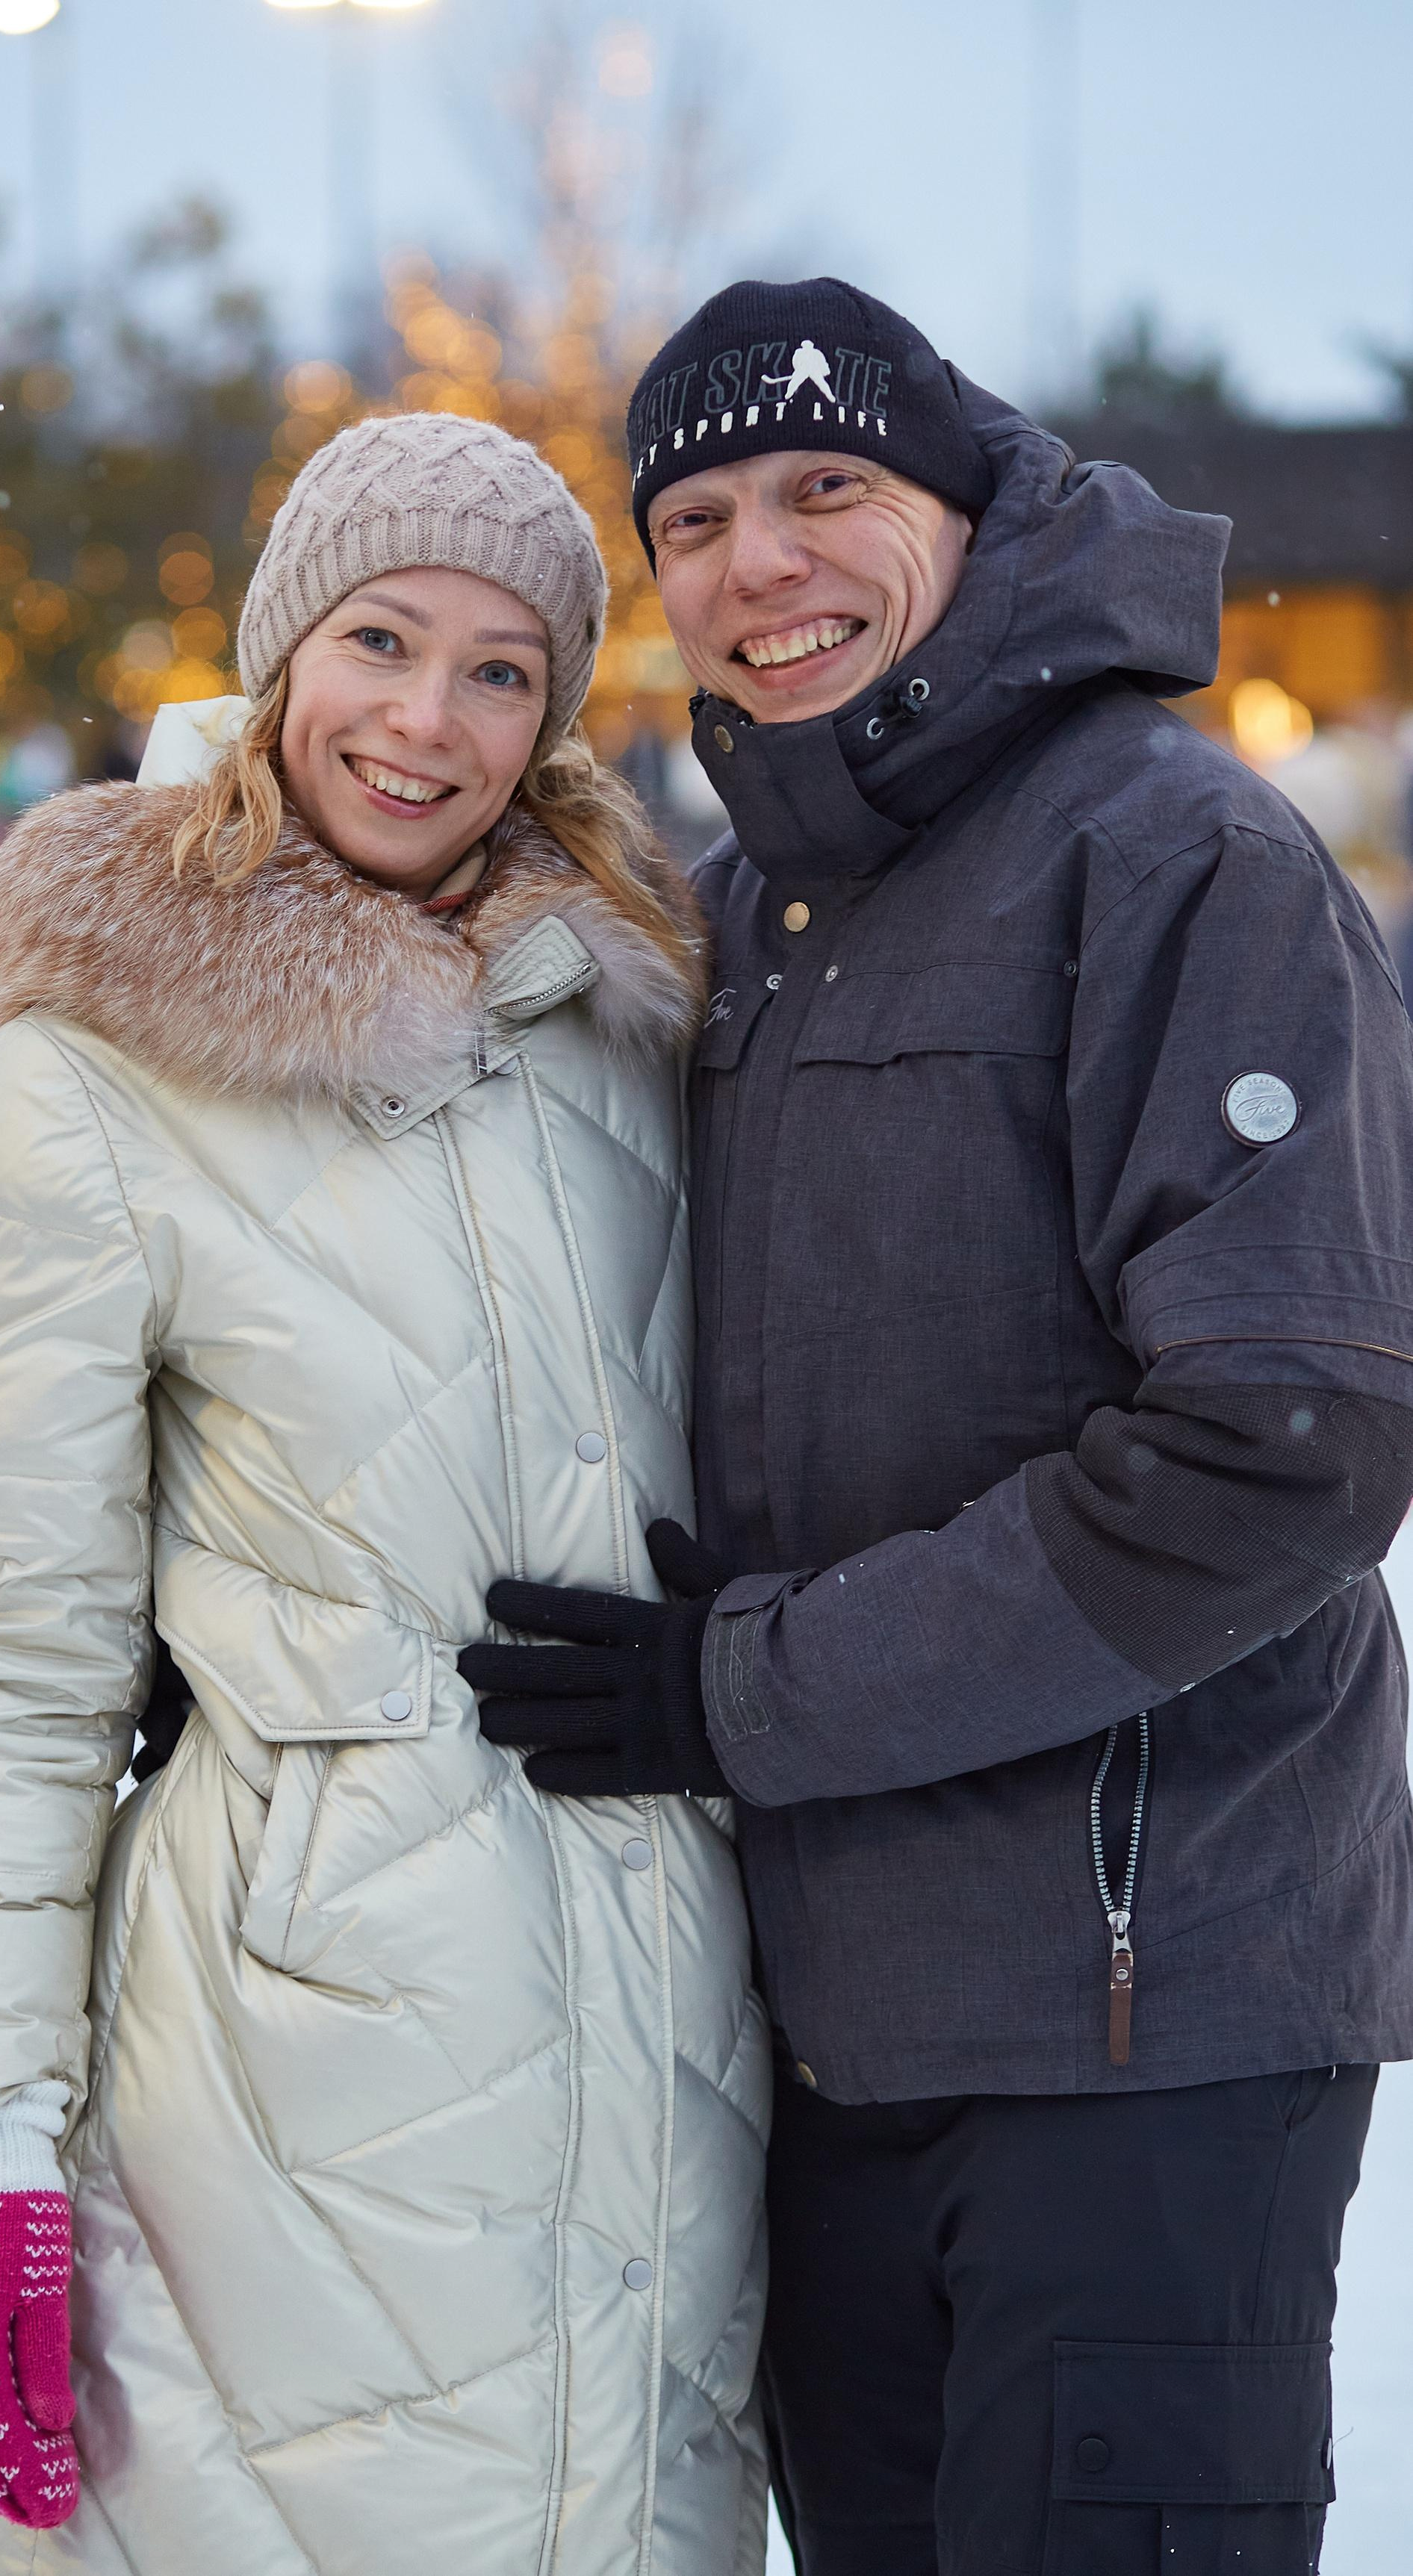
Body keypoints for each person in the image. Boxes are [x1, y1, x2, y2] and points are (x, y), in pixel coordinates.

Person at [462, 280, 1413, 2575]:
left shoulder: (1176, 859)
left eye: (825, 491)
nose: (755, 562)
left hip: (1135, 2010)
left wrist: (749, 1690)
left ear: (968, 510)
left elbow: (1275, 1444)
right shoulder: (723, 923)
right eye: (691, 516)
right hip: (809, 2033)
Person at [0, 411, 770, 2571]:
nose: (425, 719)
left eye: (498, 670)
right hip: (288, 2056)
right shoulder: (98, 1066)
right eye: (380, 637)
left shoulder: (637, 1018)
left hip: (671, 2021)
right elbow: (12, 1637)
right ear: (281, 650)